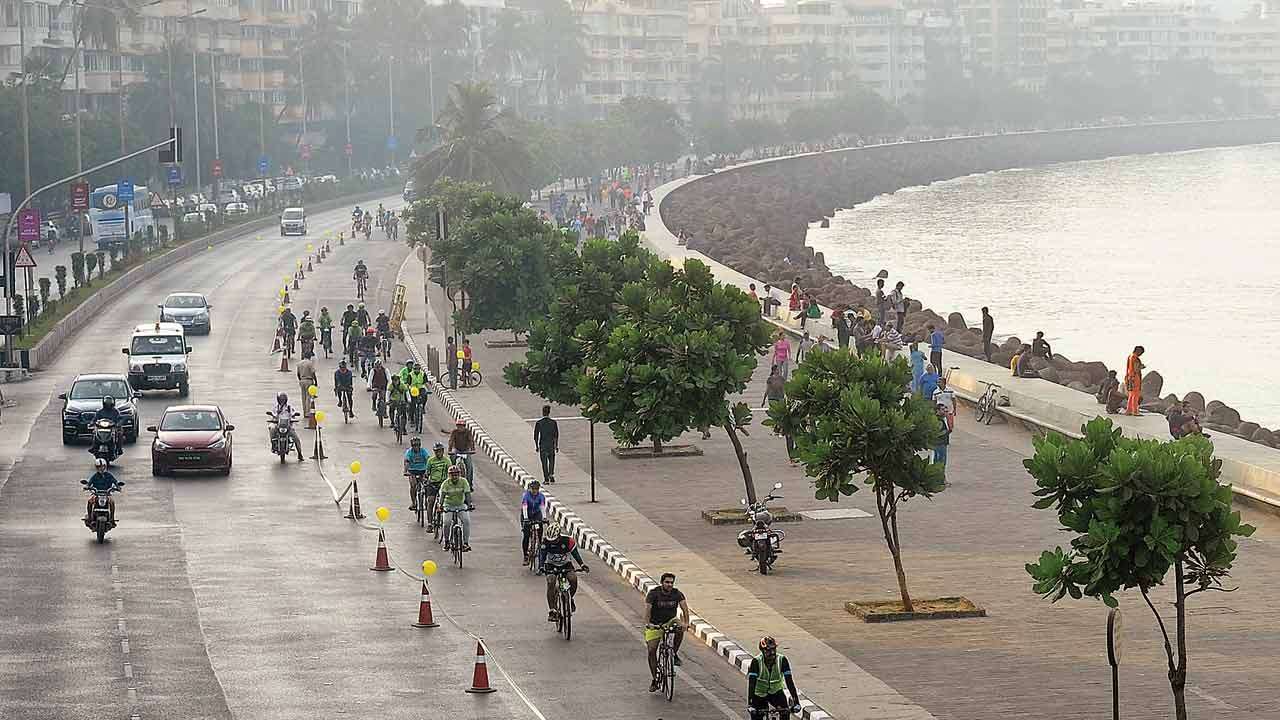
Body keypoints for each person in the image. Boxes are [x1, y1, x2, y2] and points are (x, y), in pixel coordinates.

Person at [645, 572, 690, 691]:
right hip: (655, 623)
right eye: (667, 582)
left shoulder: (677, 593)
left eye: (671, 582)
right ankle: (655, 680)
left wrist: (686, 623)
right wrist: (648, 624)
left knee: (680, 628)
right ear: (662, 583)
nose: (669, 585)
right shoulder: (654, 594)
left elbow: (685, 608)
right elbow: (648, 610)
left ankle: (673, 653)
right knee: (651, 651)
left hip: (671, 620)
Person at [537, 522, 589, 622]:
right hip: (551, 566)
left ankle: (570, 598)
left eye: (555, 540)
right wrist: (541, 567)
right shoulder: (545, 542)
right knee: (551, 581)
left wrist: (582, 564)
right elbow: (542, 557)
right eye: (550, 540)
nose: (552, 542)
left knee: (573, 579)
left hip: (566, 565)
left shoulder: (568, 541)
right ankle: (552, 610)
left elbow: (575, 554)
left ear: (559, 536)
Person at [747, 636, 800, 718]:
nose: (772, 653)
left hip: (776, 692)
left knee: (785, 713)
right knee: (756, 715)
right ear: (763, 651)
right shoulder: (756, 662)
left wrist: (796, 702)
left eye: (773, 649)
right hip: (759, 694)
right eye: (768, 651)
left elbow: (789, 682)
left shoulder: (782, 660)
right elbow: (752, 684)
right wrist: (750, 704)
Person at [438, 465, 473, 552]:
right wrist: (440, 506)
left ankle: (465, 543)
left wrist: (470, 505)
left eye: (456, 475)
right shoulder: (445, 484)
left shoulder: (464, 482)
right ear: (449, 475)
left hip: (460, 505)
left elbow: (467, 494)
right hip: (448, 506)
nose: (454, 477)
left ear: (459, 474)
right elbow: (442, 497)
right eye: (452, 475)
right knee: (446, 522)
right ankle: (446, 542)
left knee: (466, 521)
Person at [83, 458, 121, 526]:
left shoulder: (109, 475)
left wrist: (118, 487)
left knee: (112, 502)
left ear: (105, 466)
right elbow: (90, 482)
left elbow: (115, 481)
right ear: (96, 468)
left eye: (103, 466)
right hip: (97, 494)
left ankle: (112, 519)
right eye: (99, 467)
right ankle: (90, 518)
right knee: (89, 501)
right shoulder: (95, 476)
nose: (101, 468)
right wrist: (87, 486)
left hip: (107, 494)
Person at [422, 442, 452, 529]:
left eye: (440, 451)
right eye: (436, 451)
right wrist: (426, 479)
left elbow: (450, 473)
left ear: (443, 451)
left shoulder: (447, 461)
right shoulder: (431, 461)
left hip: (443, 484)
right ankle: (430, 523)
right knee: (430, 501)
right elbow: (427, 473)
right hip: (433, 484)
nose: (438, 453)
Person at [270, 392, 305, 462]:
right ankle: (273, 445)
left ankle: (300, 454)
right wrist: (277, 413)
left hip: (288, 426)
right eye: (281, 400)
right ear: (278, 400)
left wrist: (294, 414)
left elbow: (293, 413)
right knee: (272, 429)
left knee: (296, 439)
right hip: (278, 425)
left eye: (283, 400)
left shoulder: (289, 407)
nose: (282, 401)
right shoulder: (276, 407)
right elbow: (273, 414)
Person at [520, 480, 548, 562]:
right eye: (533, 489)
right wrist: (525, 519)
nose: (534, 491)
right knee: (526, 535)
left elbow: (542, 507)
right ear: (530, 489)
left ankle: (539, 546)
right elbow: (524, 507)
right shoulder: (526, 496)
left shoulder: (541, 496)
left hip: (536, 514)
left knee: (540, 531)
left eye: (536, 489)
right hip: (527, 515)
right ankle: (525, 555)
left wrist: (544, 518)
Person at [533, 405, 559, 485]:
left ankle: (546, 479)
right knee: (551, 460)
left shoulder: (539, 423)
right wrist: (556, 445)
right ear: (549, 412)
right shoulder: (553, 422)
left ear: (542, 412)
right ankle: (551, 473)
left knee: (544, 462)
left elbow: (536, 436)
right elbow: (556, 435)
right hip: (551, 445)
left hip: (543, 445)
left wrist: (537, 446)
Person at [404, 437, 431, 509]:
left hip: (422, 470)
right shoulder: (409, 452)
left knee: (427, 485)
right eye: (414, 445)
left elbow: (428, 459)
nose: (416, 447)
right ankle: (414, 503)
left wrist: (429, 470)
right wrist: (405, 471)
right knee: (413, 485)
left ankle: (426, 501)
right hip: (412, 471)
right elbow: (407, 462)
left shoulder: (423, 451)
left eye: (418, 445)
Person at [448, 419, 475, 486]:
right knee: (451, 463)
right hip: (456, 450)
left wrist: (472, 449)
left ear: (464, 426)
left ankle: (469, 483)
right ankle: (449, 479)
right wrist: (449, 450)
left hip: (466, 451)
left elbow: (471, 441)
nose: (460, 428)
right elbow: (451, 441)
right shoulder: (454, 432)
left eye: (462, 426)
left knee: (469, 467)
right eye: (458, 426)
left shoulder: (468, 432)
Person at [1124, 346, 1145, 416]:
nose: (1141, 354)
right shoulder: (1135, 358)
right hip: (1135, 377)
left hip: (1129, 376)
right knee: (1135, 395)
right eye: (1141, 353)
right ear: (1138, 351)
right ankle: (1135, 411)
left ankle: (1129, 410)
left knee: (1131, 394)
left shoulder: (1130, 356)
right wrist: (1141, 367)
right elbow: (1136, 369)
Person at [296, 351, 318, 417]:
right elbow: (313, 373)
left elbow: (298, 374)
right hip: (309, 380)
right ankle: (308, 412)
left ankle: (304, 411)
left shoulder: (299, 363)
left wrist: (300, 380)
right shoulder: (310, 363)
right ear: (309, 356)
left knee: (303, 397)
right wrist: (316, 381)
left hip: (302, 380)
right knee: (308, 397)